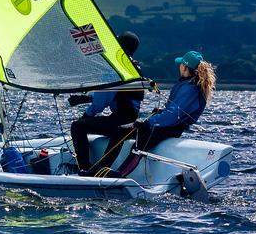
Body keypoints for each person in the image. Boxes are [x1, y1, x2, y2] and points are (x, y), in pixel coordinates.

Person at [90, 50, 216, 178]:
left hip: (170, 128)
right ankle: (101, 168)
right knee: (120, 132)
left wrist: (148, 122)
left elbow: (173, 116)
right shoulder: (188, 84)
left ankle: (119, 176)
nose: (179, 66)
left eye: (181, 64)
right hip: (167, 125)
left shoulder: (189, 88)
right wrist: (160, 113)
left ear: (185, 67)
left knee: (140, 143)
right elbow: (176, 111)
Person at [69, 31, 144, 172]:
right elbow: (111, 95)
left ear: (122, 47)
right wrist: (87, 98)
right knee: (87, 123)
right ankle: (89, 167)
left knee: (78, 126)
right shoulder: (132, 67)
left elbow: (100, 103)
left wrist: (86, 115)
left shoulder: (115, 69)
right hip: (129, 119)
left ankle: (84, 167)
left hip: (119, 122)